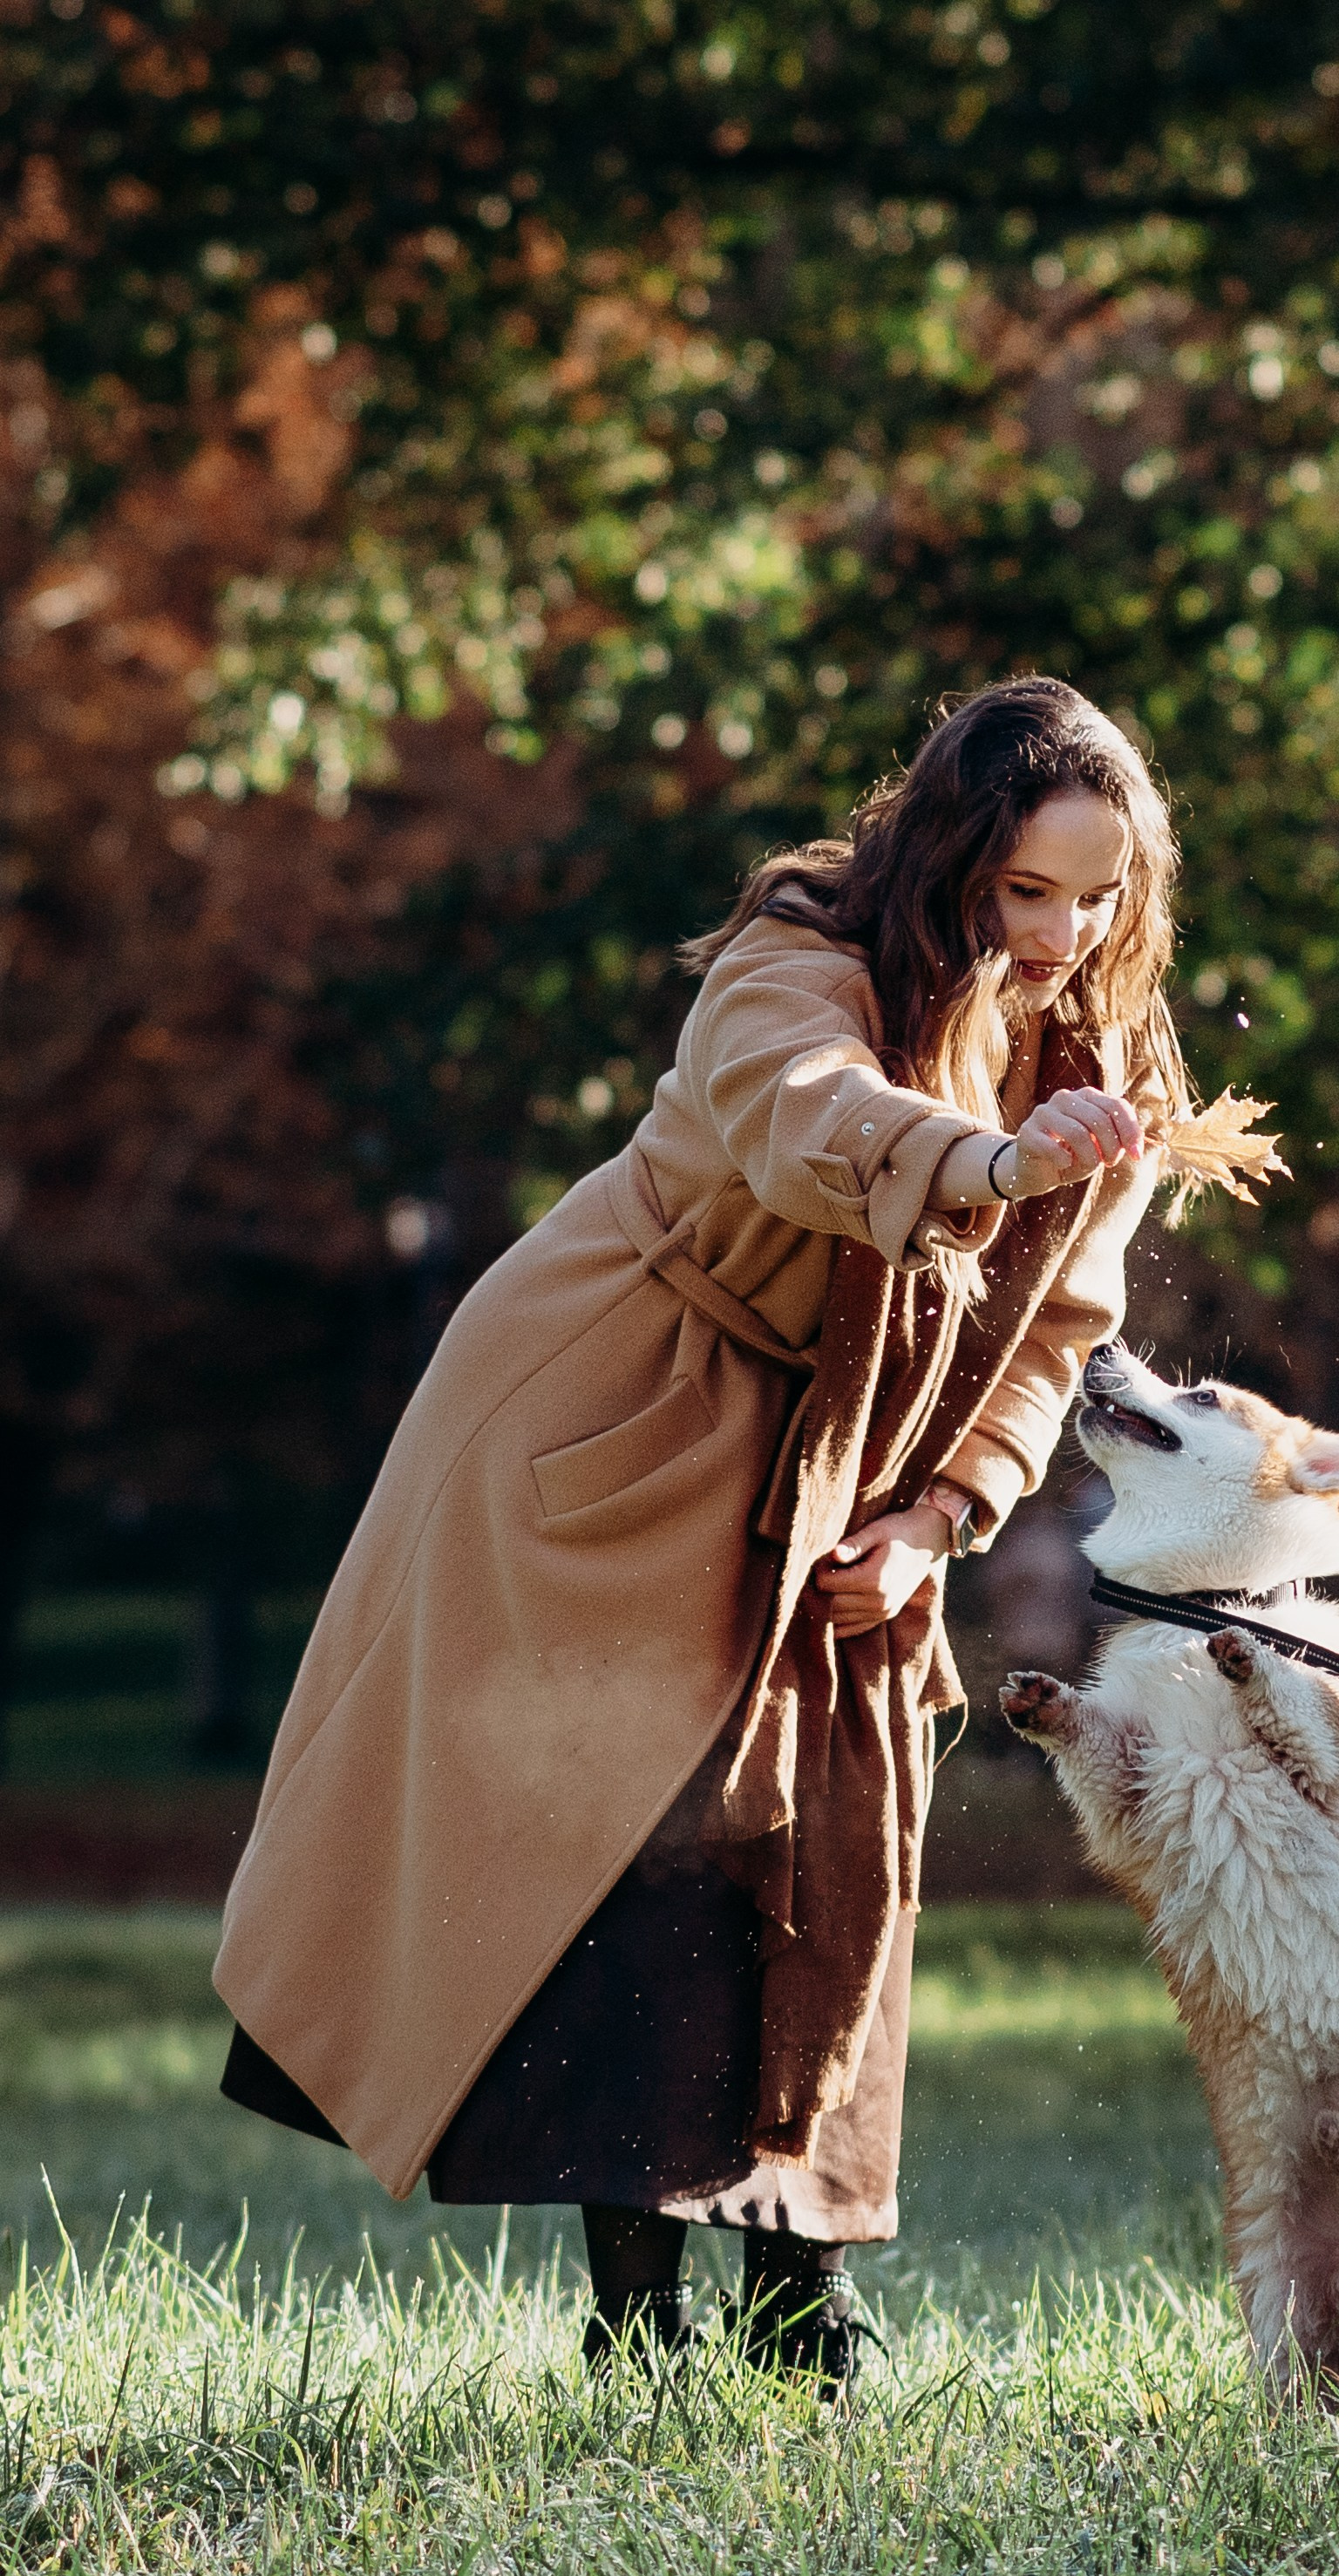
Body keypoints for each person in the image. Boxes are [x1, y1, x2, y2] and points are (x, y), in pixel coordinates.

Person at [215, 675, 1188, 2389]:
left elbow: (1052, 1336)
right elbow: (810, 1120)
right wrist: (993, 1161)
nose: (1062, 930)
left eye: (1099, 896)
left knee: (832, 1853)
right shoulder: (796, 958)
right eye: (1025, 890)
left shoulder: (1098, 1053)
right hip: (624, 1408)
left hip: (863, 1473)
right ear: (950, 854)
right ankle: (636, 2323)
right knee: (646, 1847)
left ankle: (803, 2297)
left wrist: (937, 1520)